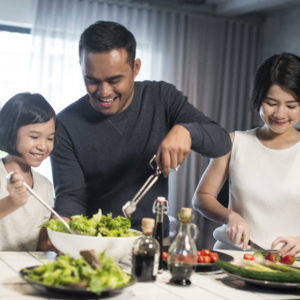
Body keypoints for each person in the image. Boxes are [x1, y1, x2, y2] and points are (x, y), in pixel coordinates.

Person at [50, 20, 231, 238]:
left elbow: (221, 143)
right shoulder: (66, 124)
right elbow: (70, 196)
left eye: (114, 80)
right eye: (92, 80)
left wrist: (188, 131)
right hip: (93, 242)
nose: (103, 92)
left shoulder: (162, 97)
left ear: (135, 68)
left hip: (150, 239)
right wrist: (64, 227)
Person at [194, 53, 300, 257]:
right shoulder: (234, 142)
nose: (280, 114)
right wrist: (230, 216)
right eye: (271, 102)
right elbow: (202, 197)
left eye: (291, 106)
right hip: (234, 258)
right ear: (258, 99)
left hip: (289, 265)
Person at [0, 93, 56, 251]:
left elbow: (42, 245)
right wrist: (12, 201)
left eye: (50, 138)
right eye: (34, 136)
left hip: (27, 272)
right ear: (10, 132)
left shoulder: (45, 186)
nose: (43, 146)